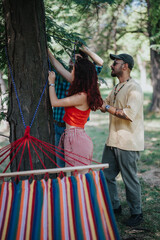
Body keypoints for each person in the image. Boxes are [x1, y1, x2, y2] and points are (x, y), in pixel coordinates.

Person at [100, 53, 144, 227]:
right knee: (106, 175)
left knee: (129, 179)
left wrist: (108, 107)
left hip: (128, 142)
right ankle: (114, 206)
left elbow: (127, 114)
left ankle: (137, 213)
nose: (112, 65)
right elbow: (105, 105)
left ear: (125, 66)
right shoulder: (117, 87)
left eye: (115, 63)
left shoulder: (135, 88)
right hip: (112, 140)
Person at [48, 45, 103, 167]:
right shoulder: (79, 87)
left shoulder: (82, 96)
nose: (71, 70)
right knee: (68, 174)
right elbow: (60, 68)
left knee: (77, 178)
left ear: (79, 74)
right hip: (69, 135)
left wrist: (51, 83)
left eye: (73, 69)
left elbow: (54, 102)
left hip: (76, 138)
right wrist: (47, 50)